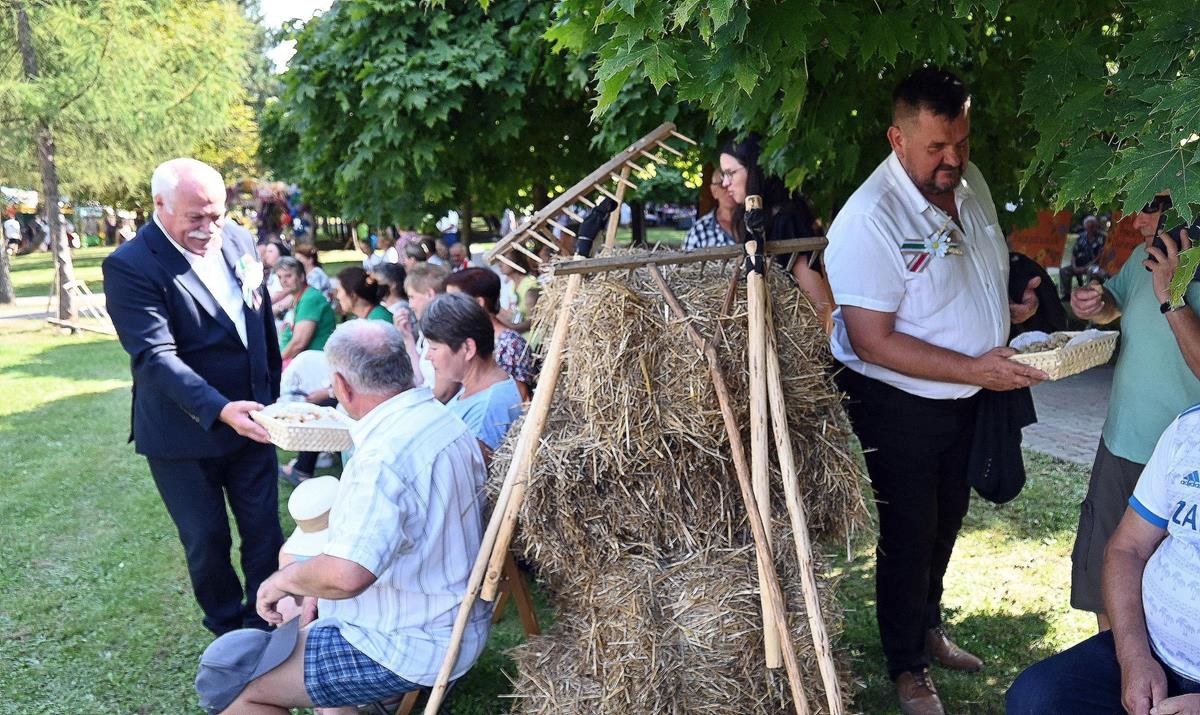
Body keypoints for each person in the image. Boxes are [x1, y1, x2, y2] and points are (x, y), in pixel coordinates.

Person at [822, 68, 1046, 715]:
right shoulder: (871, 217)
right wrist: (976, 367)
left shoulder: (968, 183)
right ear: (897, 138)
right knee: (910, 528)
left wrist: (1007, 310)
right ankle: (906, 665)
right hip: (896, 402)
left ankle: (927, 626)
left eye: (962, 142)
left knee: (949, 514)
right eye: (936, 147)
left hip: (967, 391)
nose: (953, 160)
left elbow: (968, 270)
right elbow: (871, 341)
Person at [208, 320, 492, 713]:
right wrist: (309, 583)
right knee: (283, 622)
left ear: (341, 386)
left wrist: (282, 580)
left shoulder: (382, 457)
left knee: (231, 684)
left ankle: (367, 693)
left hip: (406, 642)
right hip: (452, 618)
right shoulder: (443, 419)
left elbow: (347, 576)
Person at [102, 157, 284, 635]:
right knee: (206, 539)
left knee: (264, 529)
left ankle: (266, 620)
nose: (209, 228)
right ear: (159, 205)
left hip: (255, 419)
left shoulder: (239, 239)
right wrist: (220, 409)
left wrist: (272, 393)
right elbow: (154, 356)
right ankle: (228, 631)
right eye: (195, 217)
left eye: (216, 215)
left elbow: (258, 317)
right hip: (181, 433)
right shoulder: (130, 265)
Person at [1006, 408, 1200, 714]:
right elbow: (1128, 549)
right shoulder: (1189, 429)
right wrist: (1134, 658)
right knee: (1036, 696)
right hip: (1155, 653)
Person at [1067, 191, 1200, 631]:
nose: (1137, 222)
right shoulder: (1145, 258)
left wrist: (1173, 296)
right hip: (1120, 447)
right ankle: (1111, 665)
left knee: (1169, 600)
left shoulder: (1178, 268)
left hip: (1182, 467)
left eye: (1149, 209)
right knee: (1104, 582)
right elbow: (1115, 304)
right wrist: (1097, 303)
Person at [719, 135, 835, 329]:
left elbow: (819, 306)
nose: (724, 183)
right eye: (723, 174)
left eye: (730, 173)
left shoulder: (786, 218)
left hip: (796, 339)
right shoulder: (754, 218)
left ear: (754, 171)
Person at [421, 293, 522, 459]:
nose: (427, 356)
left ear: (467, 348)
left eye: (434, 348)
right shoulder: (477, 389)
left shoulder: (486, 412)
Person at [445, 267, 535, 400]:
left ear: (479, 303)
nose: (448, 308)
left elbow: (520, 400)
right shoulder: (472, 340)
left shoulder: (508, 344)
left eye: (455, 301)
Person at [276, 257, 336, 363]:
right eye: (280, 277)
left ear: (302, 276)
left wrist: (275, 364)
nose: (283, 281)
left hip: (317, 363)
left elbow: (299, 343)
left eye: (288, 276)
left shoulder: (310, 299)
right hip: (307, 362)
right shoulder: (301, 297)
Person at [682, 167, 737, 251]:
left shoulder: (754, 224)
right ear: (714, 191)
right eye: (722, 184)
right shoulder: (698, 232)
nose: (729, 189)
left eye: (733, 184)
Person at [1059, 215, 1108, 300]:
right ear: (1085, 227)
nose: (1091, 228)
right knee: (1064, 271)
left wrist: (1086, 267)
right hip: (1080, 264)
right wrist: (1075, 267)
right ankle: (1066, 295)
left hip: (1095, 265)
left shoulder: (1103, 237)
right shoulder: (1081, 237)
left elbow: (1101, 256)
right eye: (1089, 226)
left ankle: (1092, 295)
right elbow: (1074, 253)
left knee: (1093, 272)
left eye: (1093, 226)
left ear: (1097, 226)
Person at [497, 252, 540, 336]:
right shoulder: (512, 286)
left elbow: (533, 322)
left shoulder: (530, 285)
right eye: (499, 261)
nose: (500, 264)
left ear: (516, 261)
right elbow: (512, 314)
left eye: (504, 260)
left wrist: (511, 328)